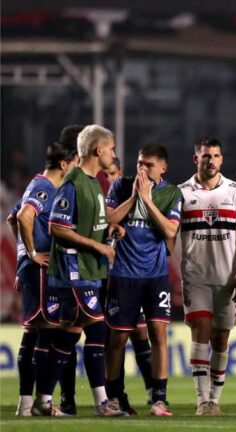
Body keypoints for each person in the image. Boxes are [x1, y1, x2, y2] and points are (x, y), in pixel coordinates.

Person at [43, 124, 127, 417]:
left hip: (89, 270)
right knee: (97, 329)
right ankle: (103, 403)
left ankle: (42, 400)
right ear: (98, 150)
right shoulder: (74, 181)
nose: (114, 154)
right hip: (73, 270)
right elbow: (57, 226)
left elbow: (94, 224)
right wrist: (99, 247)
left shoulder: (93, 182)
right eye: (112, 148)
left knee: (68, 336)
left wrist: (110, 230)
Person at [104, 143, 182, 416]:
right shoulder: (120, 187)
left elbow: (171, 229)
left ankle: (159, 398)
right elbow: (109, 218)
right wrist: (135, 196)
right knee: (118, 339)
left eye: (148, 164)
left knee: (158, 334)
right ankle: (114, 397)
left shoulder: (171, 193)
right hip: (123, 274)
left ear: (163, 167)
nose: (142, 168)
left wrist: (148, 200)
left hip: (156, 276)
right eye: (139, 163)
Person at [8, 131, 80, 416]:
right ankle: (40, 403)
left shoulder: (37, 182)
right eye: (73, 162)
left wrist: (22, 257)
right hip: (40, 270)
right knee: (46, 334)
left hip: (33, 269)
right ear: (63, 163)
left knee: (32, 334)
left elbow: (11, 218)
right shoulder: (46, 187)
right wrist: (32, 253)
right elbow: (24, 216)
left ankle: (26, 404)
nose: (75, 167)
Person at [179, 137, 236, 415]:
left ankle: (215, 399)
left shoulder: (234, 191)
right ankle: (202, 400)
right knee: (201, 332)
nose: (211, 160)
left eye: (216, 156)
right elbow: (172, 235)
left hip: (227, 278)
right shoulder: (181, 193)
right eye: (206, 156)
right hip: (196, 278)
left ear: (221, 159)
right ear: (196, 159)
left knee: (221, 339)